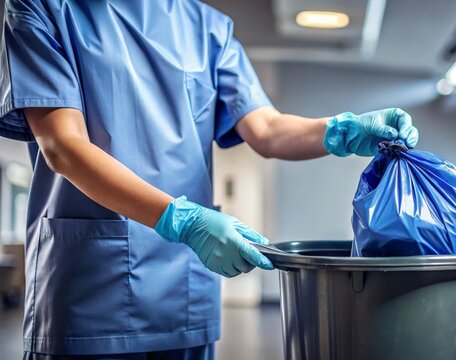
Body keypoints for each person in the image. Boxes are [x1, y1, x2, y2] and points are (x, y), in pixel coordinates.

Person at [0, 1, 419, 359]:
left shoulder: (209, 29)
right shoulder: (44, 7)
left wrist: (341, 129)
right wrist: (182, 221)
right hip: (90, 289)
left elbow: (268, 130)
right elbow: (63, 146)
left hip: (185, 290)